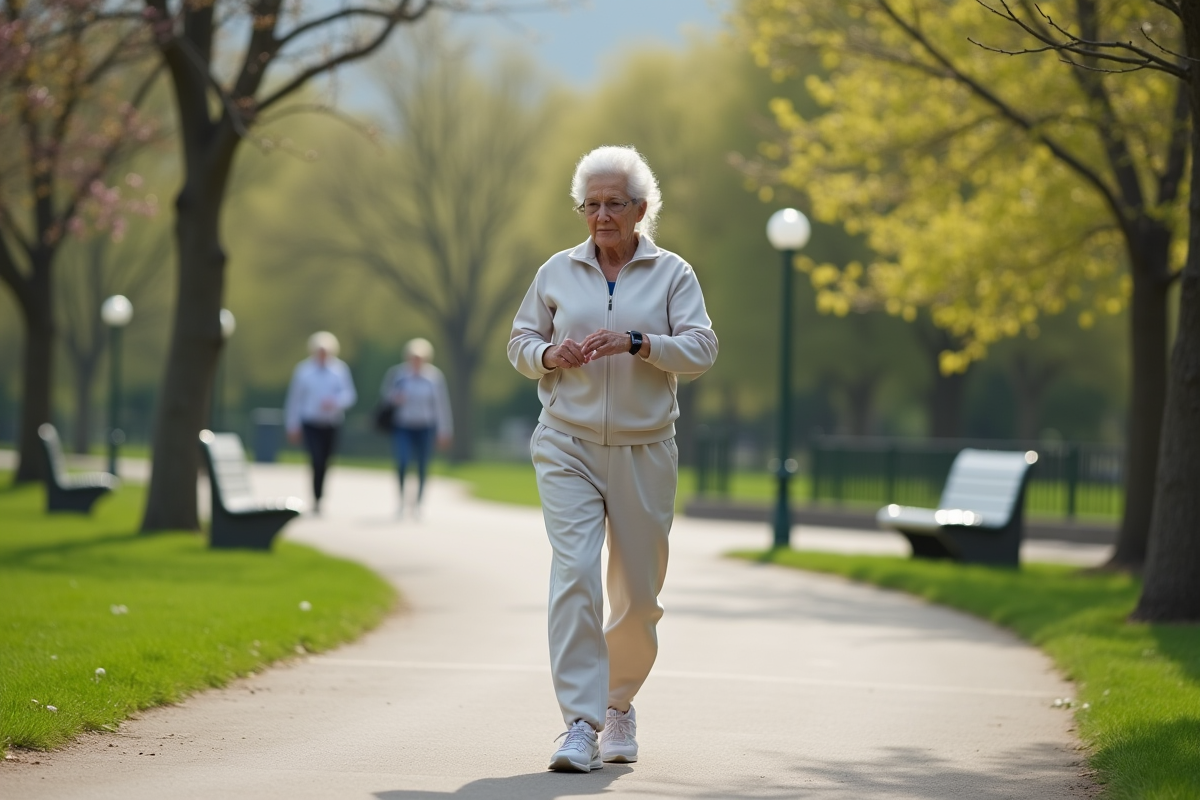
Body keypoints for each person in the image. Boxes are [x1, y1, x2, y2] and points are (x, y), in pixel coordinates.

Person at [508, 145, 718, 772]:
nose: (601, 216)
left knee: (638, 594)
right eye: (591, 205)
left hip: (645, 448)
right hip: (566, 440)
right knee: (574, 573)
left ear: (641, 210)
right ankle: (579, 722)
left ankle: (619, 703)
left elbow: (702, 348)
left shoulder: (673, 274)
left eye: (613, 204)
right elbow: (520, 340)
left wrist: (638, 342)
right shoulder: (557, 271)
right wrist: (550, 357)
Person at [284, 331, 357, 514]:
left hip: (332, 423)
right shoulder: (304, 371)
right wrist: (292, 425)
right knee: (315, 459)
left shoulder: (340, 370)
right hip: (310, 422)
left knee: (325, 461)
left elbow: (349, 395)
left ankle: (320, 496)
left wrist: (335, 402)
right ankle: (316, 497)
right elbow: (295, 400)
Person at [380, 337, 453, 516]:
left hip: (425, 427)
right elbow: (385, 397)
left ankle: (419, 503)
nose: (416, 361)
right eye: (413, 357)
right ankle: (401, 500)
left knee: (422, 465)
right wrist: (395, 398)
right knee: (403, 461)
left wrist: (444, 430)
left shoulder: (434, 378)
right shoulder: (398, 375)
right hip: (403, 425)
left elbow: (441, 406)